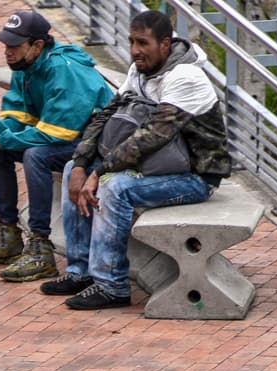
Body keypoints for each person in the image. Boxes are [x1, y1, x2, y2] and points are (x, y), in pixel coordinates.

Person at [44, 10, 232, 309]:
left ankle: (112, 284)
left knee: (115, 187)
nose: (135, 51)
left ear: (165, 44)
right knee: (70, 170)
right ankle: (80, 272)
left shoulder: (186, 77)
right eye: (132, 42)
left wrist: (101, 171)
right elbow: (105, 114)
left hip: (194, 177)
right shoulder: (140, 71)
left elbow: (154, 135)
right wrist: (81, 164)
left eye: (143, 43)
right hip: (155, 166)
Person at [0, 10, 114, 283]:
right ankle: (8, 235)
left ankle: (41, 246)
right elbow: (19, 119)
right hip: (64, 137)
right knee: (1, 149)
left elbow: (55, 134)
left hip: (95, 145)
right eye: (6, 45)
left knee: (36, 156)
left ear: (38, 45)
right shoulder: (25, 67)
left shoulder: (65, 69)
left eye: (14, 46)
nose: (7, 52)